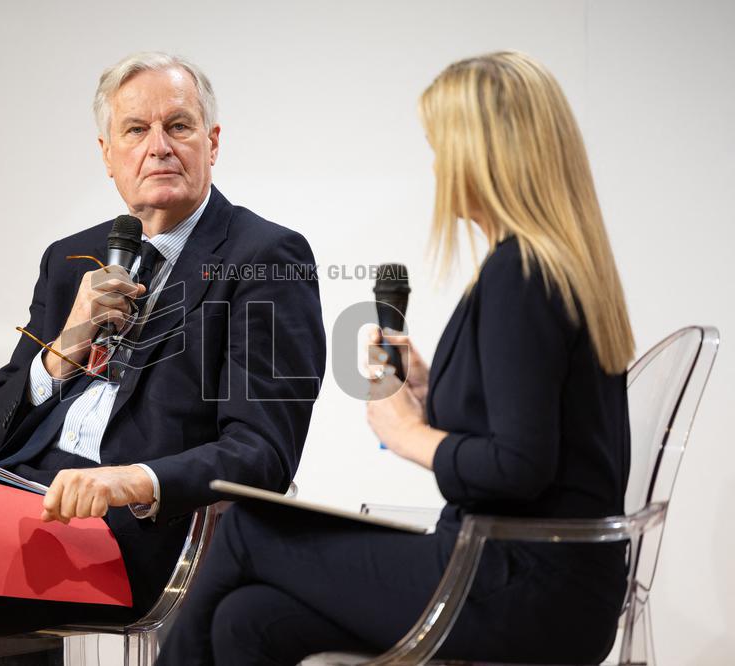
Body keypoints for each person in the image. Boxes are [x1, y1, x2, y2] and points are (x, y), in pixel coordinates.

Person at [0, 52, 325, 664]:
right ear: (108, 154)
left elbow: (263, 452)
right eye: (136, 130)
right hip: (20, 509)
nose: (158, 147)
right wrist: (63, 349)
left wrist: (126, 481)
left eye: (179, 126)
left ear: (212, 143)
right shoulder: (72, 259)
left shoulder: (267, 256)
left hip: (133, 538)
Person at [157, 50, 635, 665]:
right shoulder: (553, 269)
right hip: (547, 582)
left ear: (484, 156)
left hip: (521, 584)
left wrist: (409, 433)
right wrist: (434, 393)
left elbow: (519, 469)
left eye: (442, 146)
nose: (436, 165)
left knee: (249, 530)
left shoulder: (521, 275)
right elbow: (539, 436)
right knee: (248, 622)